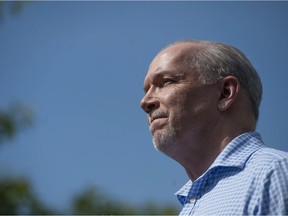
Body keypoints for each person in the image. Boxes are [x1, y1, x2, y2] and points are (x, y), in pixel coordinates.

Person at [140, 39, 288, 215]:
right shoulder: (193, 202)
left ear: (225, 93)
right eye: (147, 90)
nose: (145, 102)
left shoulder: (275, 174)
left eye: (166, 82)